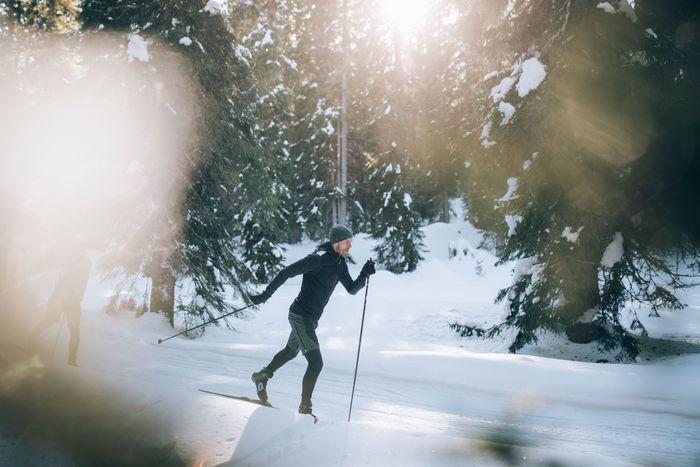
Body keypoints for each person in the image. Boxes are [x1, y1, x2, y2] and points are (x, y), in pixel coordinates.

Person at [249, 224, 375, 414]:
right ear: (337, 242)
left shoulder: (340, 263)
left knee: (290, 352)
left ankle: (261, 376)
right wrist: (265, 296)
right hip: (300, 316)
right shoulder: (318, 259)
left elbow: (351, 289)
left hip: (311, 319)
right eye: (347, 242)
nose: (350, 246)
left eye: (350, 242)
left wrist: (364, 273)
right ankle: (305, 407)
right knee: (316, 363)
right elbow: (286, 273)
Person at [29, 250, 91, 367]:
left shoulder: (82, 265)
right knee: (52, 321)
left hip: (70, 300)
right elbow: (62, 283)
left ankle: (72, 359)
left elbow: (80, 282)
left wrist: (78, 294)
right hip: (62, 299)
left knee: (73, 329)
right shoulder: (75, 265)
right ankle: (32, 340)